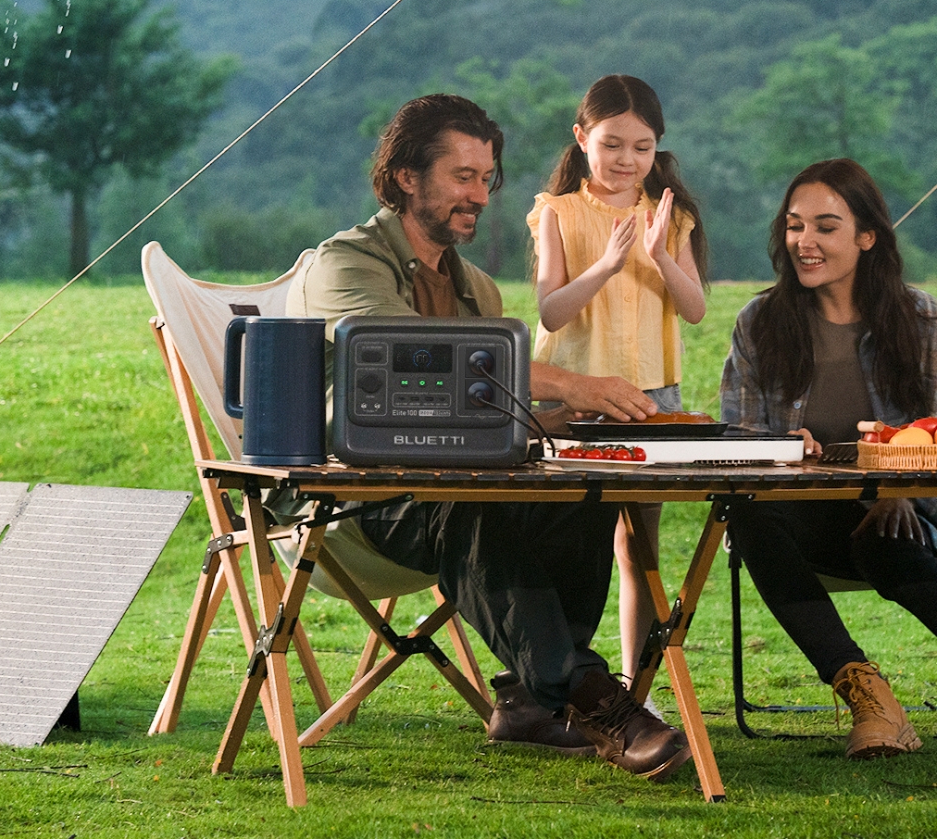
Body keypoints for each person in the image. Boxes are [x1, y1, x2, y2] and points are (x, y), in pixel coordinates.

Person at [286, 93, 692, 782]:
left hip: (449, 490)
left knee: (580, 487)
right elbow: (407, 354)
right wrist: (569, 383)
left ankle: (532, 700)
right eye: (461, 177)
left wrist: (567, 422)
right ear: (407, 177)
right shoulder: (346, 263)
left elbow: (484, 411)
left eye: (485, 178)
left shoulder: (475, 287)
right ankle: (600, 703)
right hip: (355, 503)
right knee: (466, 505)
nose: (478, 195)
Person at [720, 157, 937, 759]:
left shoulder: (923, 321)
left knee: (887, 539)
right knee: (748, 513)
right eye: (795, 226)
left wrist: (897, 482)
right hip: (798, 522)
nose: (804, 241)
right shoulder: (760, 322)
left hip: (908, 519)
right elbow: (737, 441)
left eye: (825, 226)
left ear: (867, 237)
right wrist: (782, 450)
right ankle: (868, 697)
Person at [526, 75, 708, 705]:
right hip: (571, 402)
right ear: (582, 139)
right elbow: (550, 312)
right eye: (611, 145)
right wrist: (605, 264)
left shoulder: (670, 216)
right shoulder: (557, 211)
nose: (626, 160)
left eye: (641, 147)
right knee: (569, 540)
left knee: (639, 547)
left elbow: (695, 310)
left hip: (651, 399)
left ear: (657, 147)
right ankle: (557, 680)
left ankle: (637, 686)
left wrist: (659, 255)